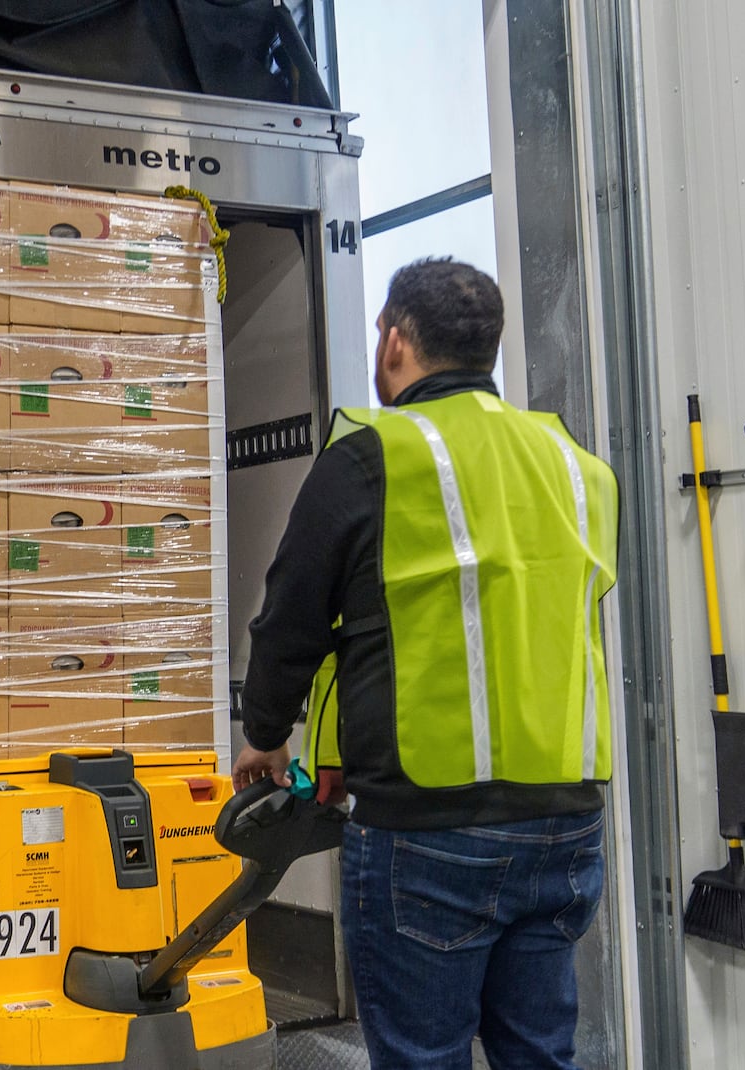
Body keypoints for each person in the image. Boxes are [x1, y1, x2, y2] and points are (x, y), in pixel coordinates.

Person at [232, 258, 619, 1070]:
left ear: (397, 341)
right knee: (541, 1054)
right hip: (566, 826)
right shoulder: (574, 464)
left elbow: (295, 615)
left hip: (429, 832)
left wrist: (267, 735)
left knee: (422, 1057)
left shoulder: (376, 454)